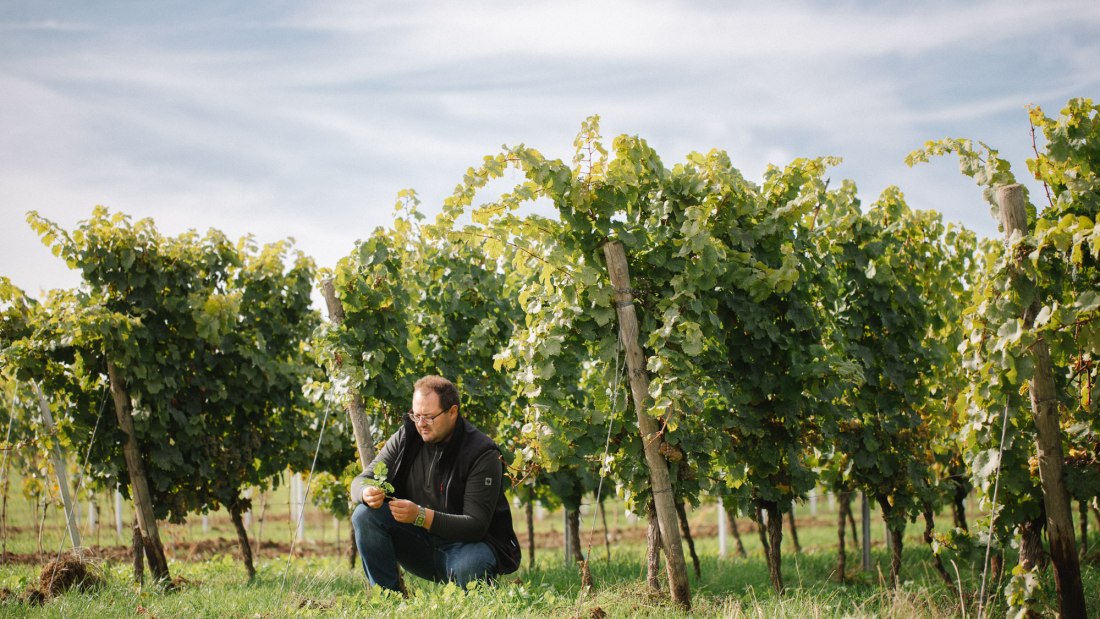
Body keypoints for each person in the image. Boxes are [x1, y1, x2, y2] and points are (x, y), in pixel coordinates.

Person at [350, 375, 521, 592]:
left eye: (429, 417)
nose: (421, 424)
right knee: (364, 515)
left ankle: (475, 597)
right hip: (420, 544)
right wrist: (366, 492)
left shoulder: (482, 453)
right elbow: (361, 480)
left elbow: (476, 526)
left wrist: (420, 515)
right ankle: (387, 597)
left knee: (471, 566)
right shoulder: (407, 436)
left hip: (467, 546)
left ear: (452, 412)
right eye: (416, 415)